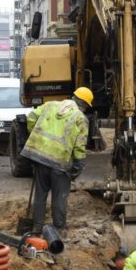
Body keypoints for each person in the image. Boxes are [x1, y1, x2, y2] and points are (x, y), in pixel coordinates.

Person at [21, 87, 93, 235]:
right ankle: (59, 228)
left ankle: (37, 227)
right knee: (59, 197)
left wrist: (36, 136)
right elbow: (80, 144)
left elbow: (31, 117)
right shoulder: (80, 118)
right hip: (60, 163)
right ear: (84, 105)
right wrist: (79, 163)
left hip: (40, 158)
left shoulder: (50, 105)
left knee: (40, 195)